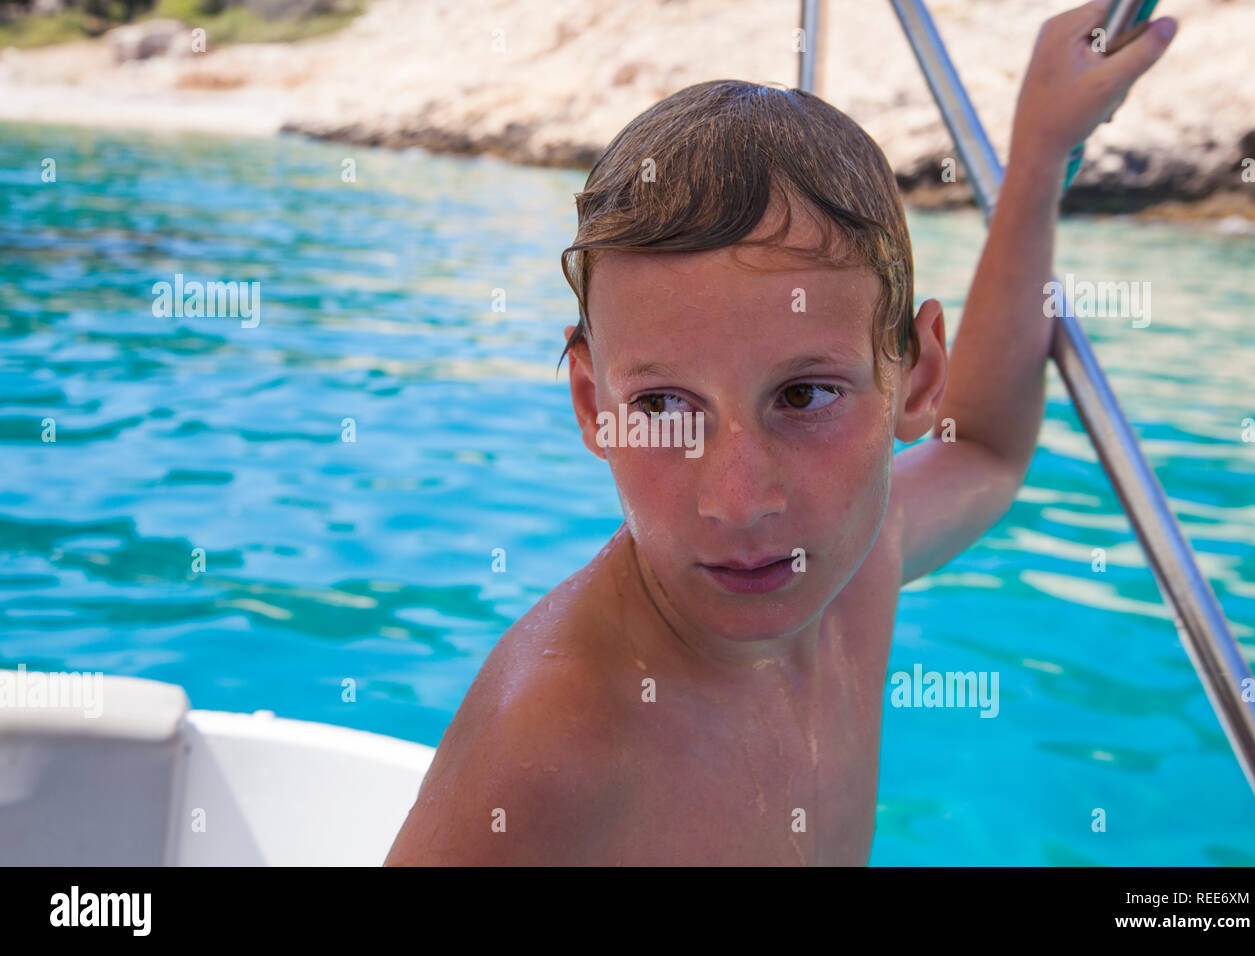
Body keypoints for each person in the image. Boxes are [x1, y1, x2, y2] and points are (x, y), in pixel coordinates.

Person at [386, 0, 1177, 865]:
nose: (740, 501)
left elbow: (982, 442)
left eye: (802, 396)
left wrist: (1036, 160)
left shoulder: (858, 570)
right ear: (592, 408)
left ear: (915, 376)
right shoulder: (557, 737)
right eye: (664, 408)